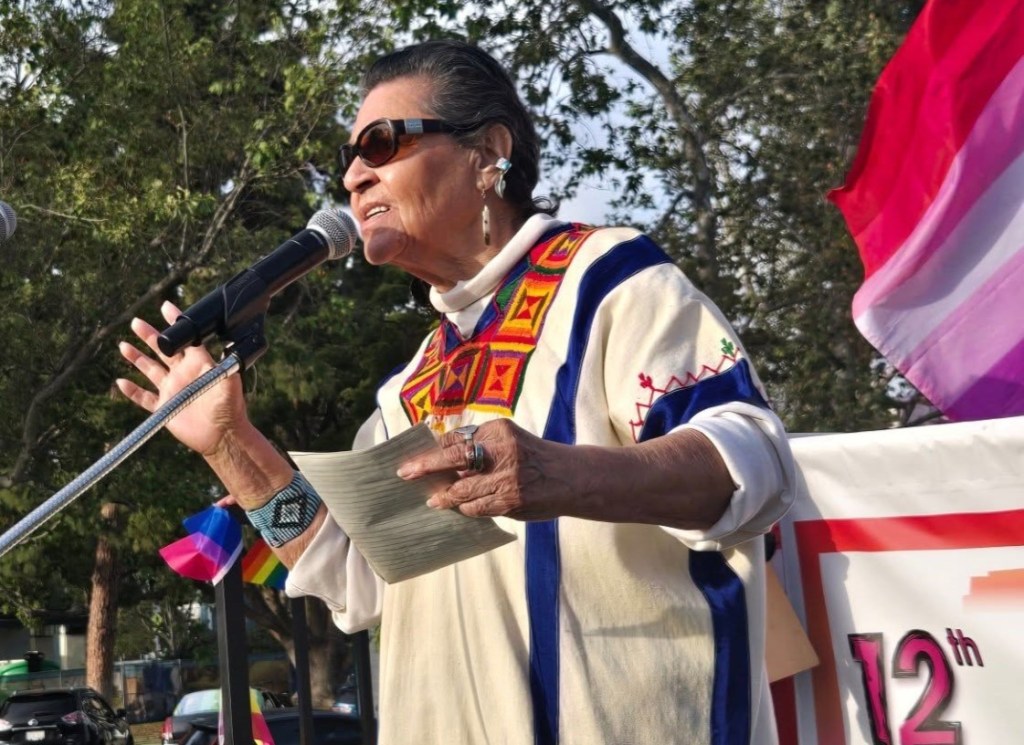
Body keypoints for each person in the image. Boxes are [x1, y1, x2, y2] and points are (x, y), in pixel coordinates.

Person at [118, 39, 796, 745]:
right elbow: (357, 582)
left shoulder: (609, 281)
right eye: (349, 157)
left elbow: (757, 462)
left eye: (381, 144)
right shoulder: (409, 385)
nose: (352, 176)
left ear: (487, 154)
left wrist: (563, 474)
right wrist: (232, 445)